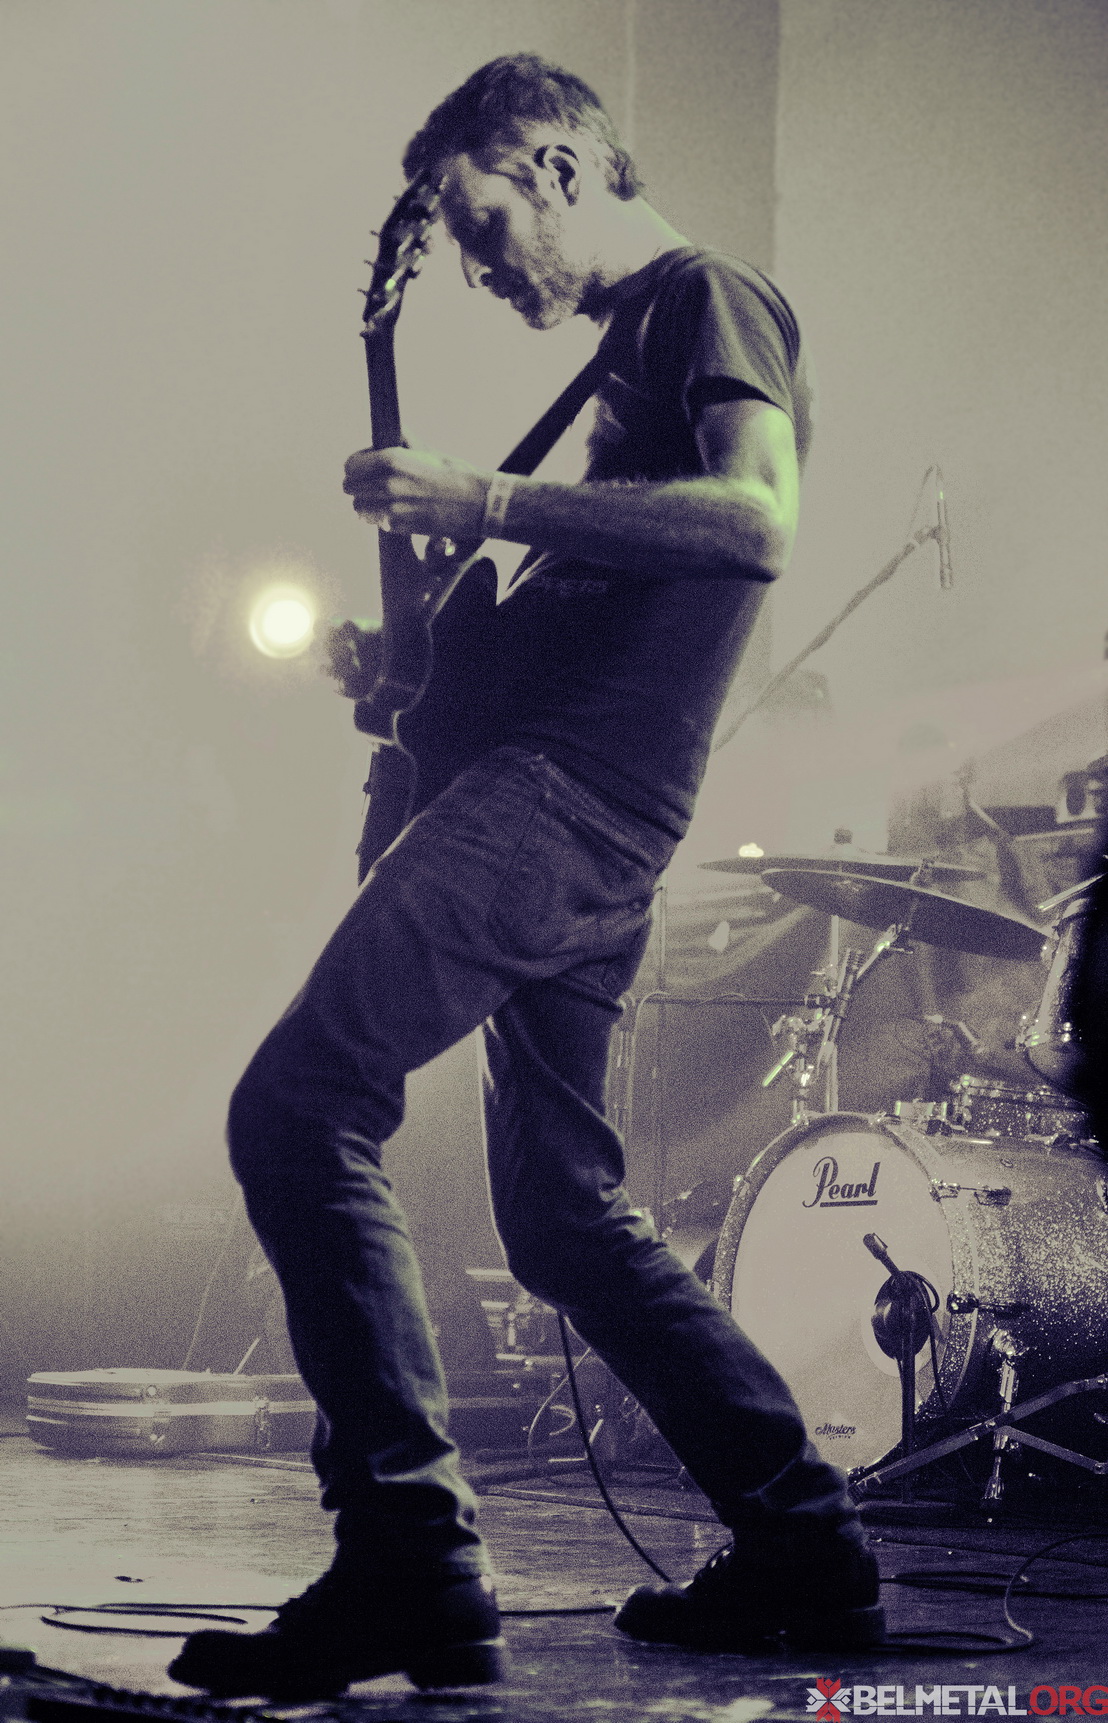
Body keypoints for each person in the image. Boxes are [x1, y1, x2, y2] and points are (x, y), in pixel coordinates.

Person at [169, 53, 884, 1702]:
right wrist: (407, 675)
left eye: (484, 225)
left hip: (563, 807)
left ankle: (408, 1555)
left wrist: (487, 497)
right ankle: (805, 1544)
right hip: (575, 803)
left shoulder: (707, 297)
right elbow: (577, 615)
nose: (485, 272)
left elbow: (758, 520)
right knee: (562, 1217)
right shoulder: (625, 360)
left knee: (298, 1107)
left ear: (555, 161)